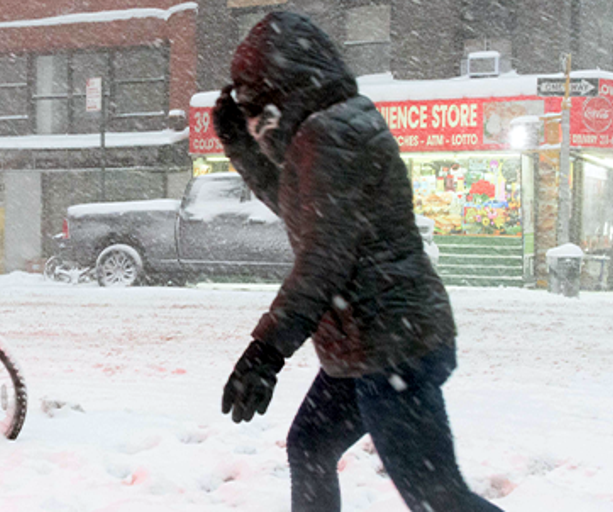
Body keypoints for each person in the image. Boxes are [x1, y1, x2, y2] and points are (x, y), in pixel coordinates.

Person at [214, 11, 503, 512]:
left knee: (438, 497)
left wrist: (266, 352)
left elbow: (323, 260)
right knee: (311, 447)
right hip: (372, 343)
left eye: (259, 107)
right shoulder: (329, 128)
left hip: (392, 345)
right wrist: (239, 147)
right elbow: (299, 211)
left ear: (286, 88)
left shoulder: (329, 136)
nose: (258, 124)